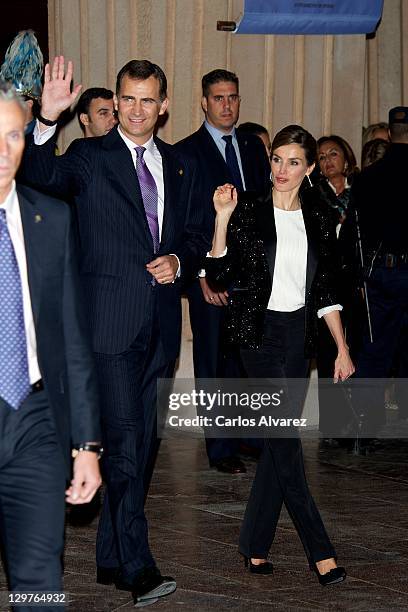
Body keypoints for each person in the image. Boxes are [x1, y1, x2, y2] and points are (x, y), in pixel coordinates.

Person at [20, 56, 208, 607]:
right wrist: (46, 123)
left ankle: (108, 555)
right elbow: (37, 173)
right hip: (107, 326)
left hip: (160, 326)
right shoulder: (88, 156)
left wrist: (179, 258)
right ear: (116, 102)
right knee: (126, 444)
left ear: (163, 105)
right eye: (127, 99)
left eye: (148, 100)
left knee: (141, 446)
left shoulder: (179, 166)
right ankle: (137, 566)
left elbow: (196, 234)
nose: (136, 109)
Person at [205, 124, 354, 584]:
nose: (283, 170)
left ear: (309, 168)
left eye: (294, 162)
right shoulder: (248, 208)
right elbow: (218, 271)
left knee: (276, 445)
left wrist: (342, 348)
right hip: (258, 335)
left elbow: (325, 287)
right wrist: (222, 217)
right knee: (287, 444)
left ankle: (253, 544)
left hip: (298, 338)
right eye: (276, 160)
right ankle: (321, 551)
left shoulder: (318, 215)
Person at [0, 81, 101, 608]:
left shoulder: (52, 218)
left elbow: (74, 343)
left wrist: (86, 446)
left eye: (14, 135)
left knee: (40, 584)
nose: (3, 150)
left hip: (35, 420)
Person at [175, 69, 270, 473]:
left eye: (232, 97)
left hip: (251, 275)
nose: (226, 105)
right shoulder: (185, 151)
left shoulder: (252, 145)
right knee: (213, 360)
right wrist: (201, 276)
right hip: (207, 272)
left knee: (246, 358)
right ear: (204, 102)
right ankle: (220, 448)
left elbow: (262, 207)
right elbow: (180, 221)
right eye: (218, 98)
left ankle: (247, 436)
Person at [350, 107, 408, 442]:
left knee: (375, 349)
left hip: (379, 271)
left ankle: (364, 428)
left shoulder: (369, 177)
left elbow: (359, 230)